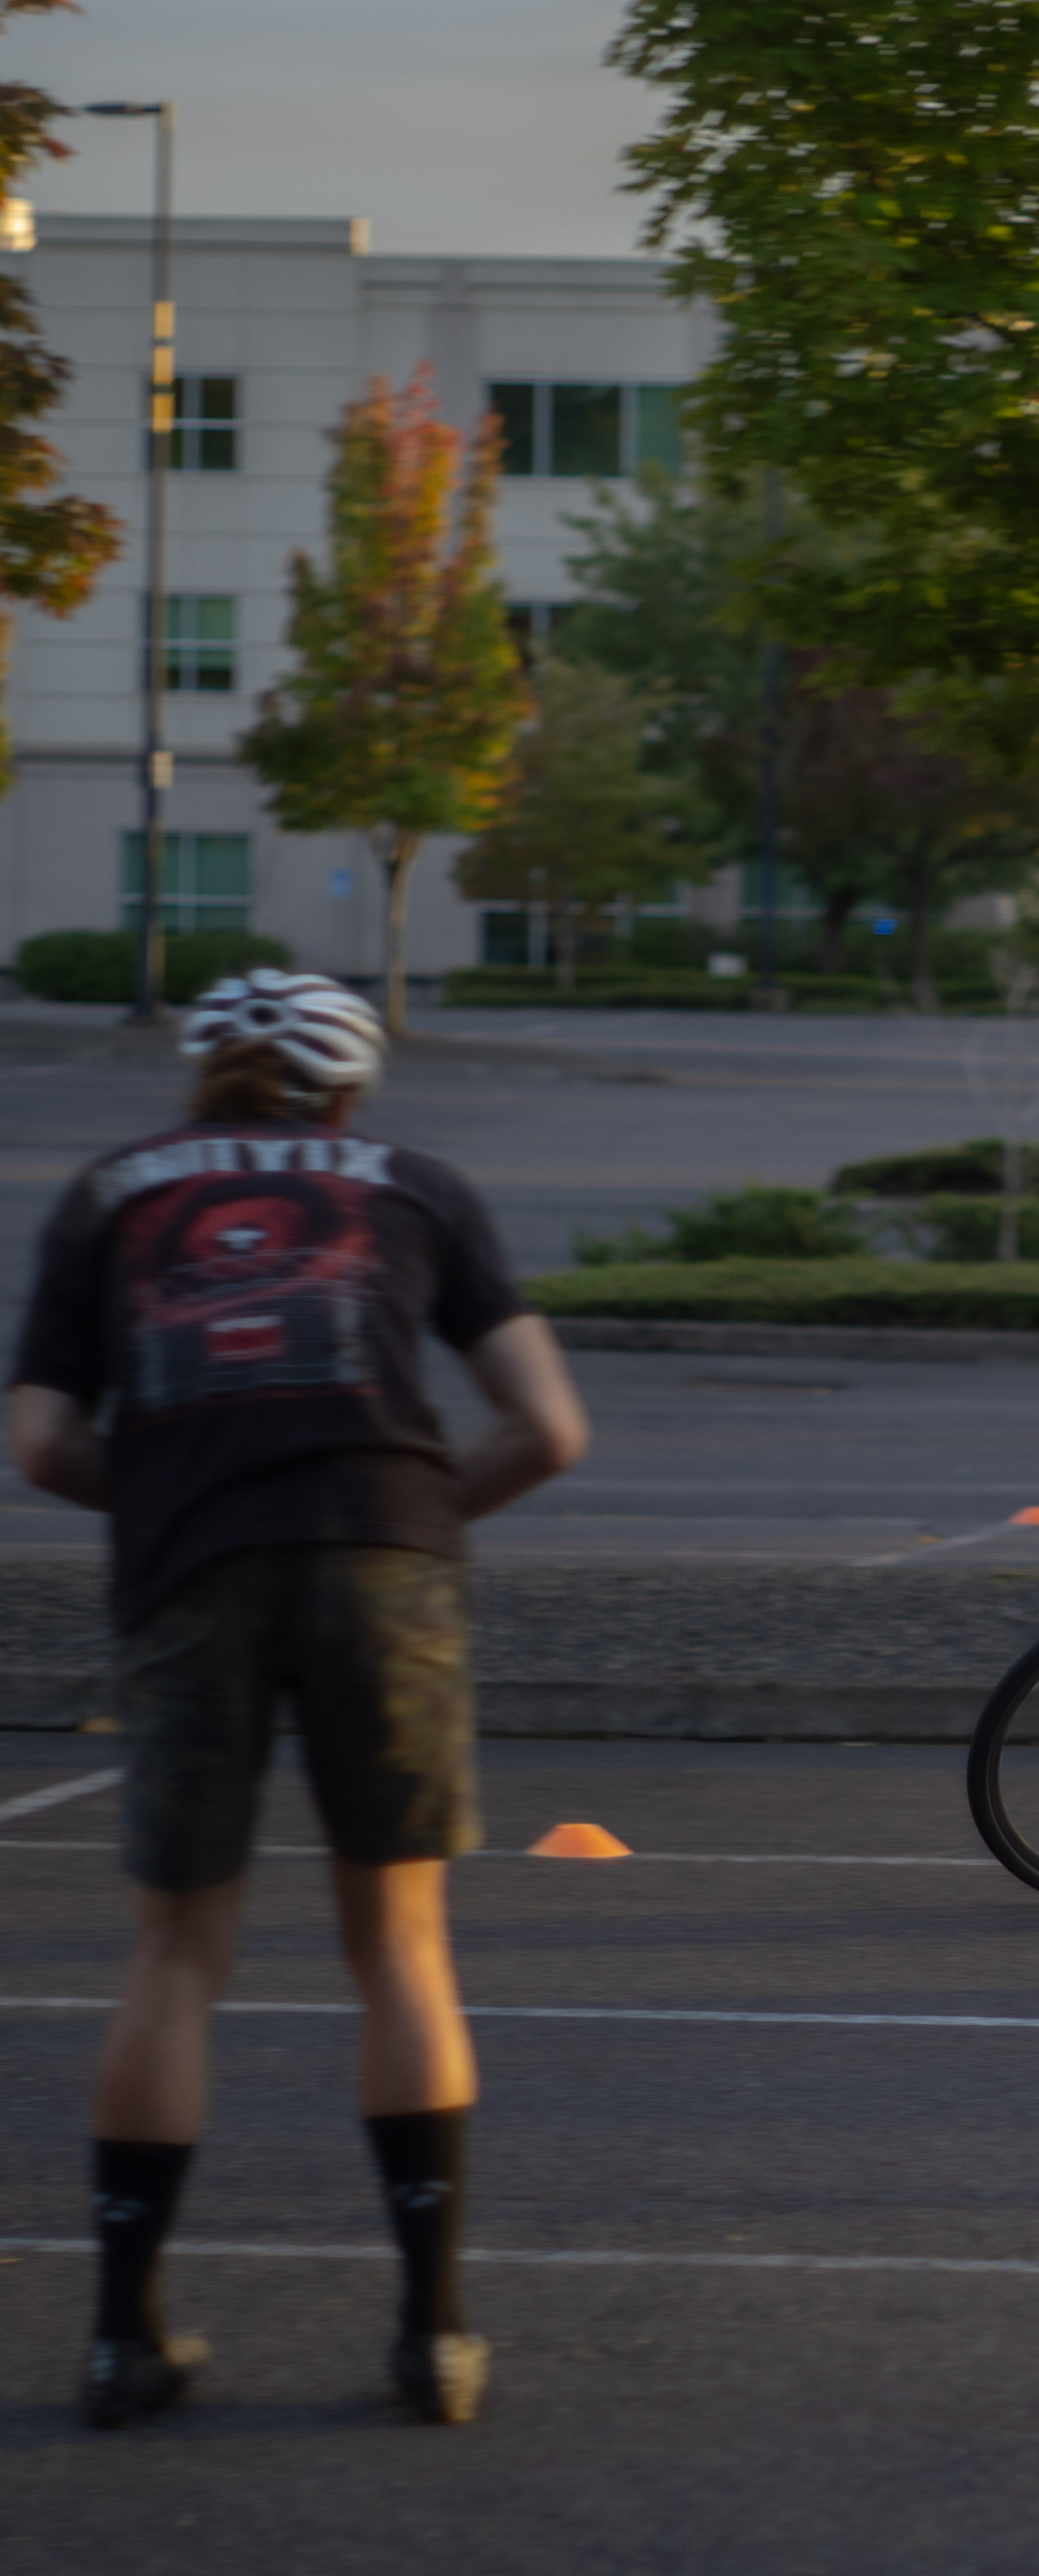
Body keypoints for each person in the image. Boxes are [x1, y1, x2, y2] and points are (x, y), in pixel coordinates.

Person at [9, 971, 590, 2430]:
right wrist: (416, 1518)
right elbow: (549, 1427)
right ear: (350, 1087)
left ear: (199, 1074)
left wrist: (174, 1507)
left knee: (174, 1956)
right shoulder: (418, 1184)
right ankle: (433, 2335)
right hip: (385, 1563)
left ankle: (122, 2339)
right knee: (399, 1947)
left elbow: (43, 1442)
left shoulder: (109, 1192)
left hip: (191, 1573)